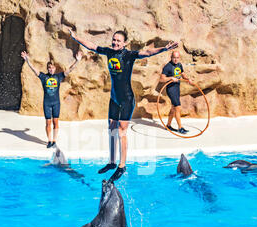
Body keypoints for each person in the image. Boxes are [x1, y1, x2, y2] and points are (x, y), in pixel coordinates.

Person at [69, 29, 178, 182]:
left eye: (118, 41)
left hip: (127, 99)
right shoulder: (109, 52)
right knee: (111, 129)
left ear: (125, 43)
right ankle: (112, 162)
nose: (115, 43)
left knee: (121, 132)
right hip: (114, 98)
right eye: (114, 40)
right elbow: (92, 46)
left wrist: (164, 49)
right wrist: (75, 37)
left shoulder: (129, 55)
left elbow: (147, 52)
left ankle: (122, 165)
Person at [21, 50, 82, 148]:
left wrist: (77, 61)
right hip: (47, 103)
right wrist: (27, 60)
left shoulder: (59, 76)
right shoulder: (43, 77)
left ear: (55, 68)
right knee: (48, 122)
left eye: (52, 68)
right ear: (47, 69)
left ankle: (54, 140)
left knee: (56, 122)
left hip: (56, 103)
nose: (51, 69)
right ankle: (49, 140)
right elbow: (34, 69)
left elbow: (70, 69)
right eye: (49, 68)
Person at [159, 51, 193, 134]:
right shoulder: (167, 66)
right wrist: (171, 78)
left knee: (173, 107)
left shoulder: (179, 65)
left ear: (179, 58)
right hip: (171, 89)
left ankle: (168, 125)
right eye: (174, 57)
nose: (175, 59)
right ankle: (180, 128)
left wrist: (187, 79)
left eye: (177, 58)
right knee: (177, 107)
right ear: (171, 57)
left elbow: (182, 74)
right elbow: (162, 79)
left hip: (177, 88)